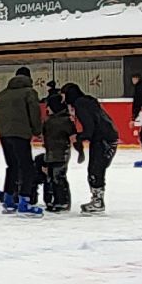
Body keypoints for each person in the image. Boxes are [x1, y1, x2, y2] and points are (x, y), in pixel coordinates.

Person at [0, 67, 43, 213]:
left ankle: (8, 199)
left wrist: (2, 130)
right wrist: (37, 131)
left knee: (12, 166)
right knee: (27, 168)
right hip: (20, 134)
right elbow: (34, 112)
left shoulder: (2, 94)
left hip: (4, 134)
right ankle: (24, 202)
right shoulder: (29, 92)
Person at [62, 82, 118, 214]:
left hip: (103, 139)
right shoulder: (88, 101)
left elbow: (89, 129)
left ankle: (98, 201)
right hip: (106, 136)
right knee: (95, 168)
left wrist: (78, 137)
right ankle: (97, 200)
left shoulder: (80, 104)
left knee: (95, 169)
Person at [39, 93, 78, 212]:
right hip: (50, 153)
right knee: (50, 177)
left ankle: (62, 201)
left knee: (58, 177)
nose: (47, 109)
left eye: (49, 106)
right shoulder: (48, 121)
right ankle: (52, 200)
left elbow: (73, 137)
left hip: (61, 153)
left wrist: (79, 149)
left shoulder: (66, 121)